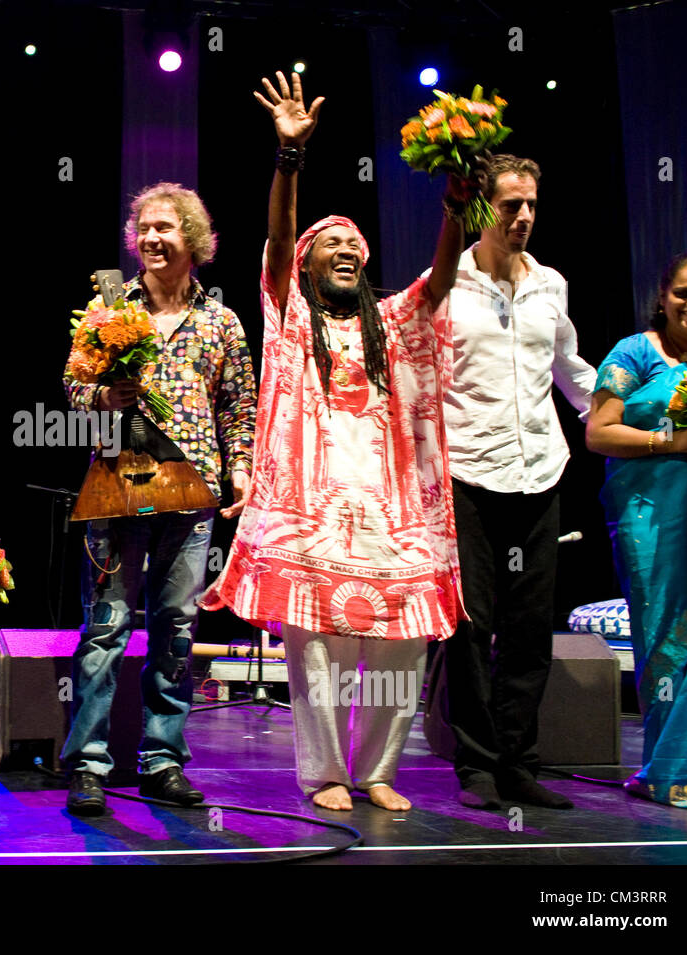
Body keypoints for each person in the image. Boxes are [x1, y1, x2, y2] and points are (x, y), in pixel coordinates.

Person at [202, 71, 468, 812]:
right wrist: (289, 158)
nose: (348, 249)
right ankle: (324, 773)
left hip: (394, 516)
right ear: (312, 264)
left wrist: (458, 200)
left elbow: (443, 276)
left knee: (402, 642)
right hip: (311, 516)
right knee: (316, 653)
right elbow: (281, 238)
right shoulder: (289, 314)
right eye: (334, 244)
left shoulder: (396, 321)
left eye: (357, 243)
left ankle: (377, 767)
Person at [60, 181, 257, 816]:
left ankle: (163, 760)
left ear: (193, 240)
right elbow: (72, 387)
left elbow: (240, 408)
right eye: (143, 228)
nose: (151, 238)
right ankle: (88, 764)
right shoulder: (109, 311)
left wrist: (243, 471)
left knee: (176, 629)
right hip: (119, 490)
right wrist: (102, 399)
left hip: (192, 495)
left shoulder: (220, 321)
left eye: (165, 228)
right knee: (106, 628)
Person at [440, 155, 596, 810]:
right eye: (510, 205)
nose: (524, 216)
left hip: (539, 471)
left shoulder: (550, 284)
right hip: (469, 473)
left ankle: (518, 759)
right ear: (483, 208)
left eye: (532, 204)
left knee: (531, 625)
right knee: (471, 625)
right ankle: (475, 764)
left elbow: (569, 367)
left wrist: (623, 413)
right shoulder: (448, 283)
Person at [586, 253, 687, 810]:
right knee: (665, 630)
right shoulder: (633, 354)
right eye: (684, 292)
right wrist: (674, 442)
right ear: (662, 296)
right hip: (649, 513)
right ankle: (668, 771)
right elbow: (599, 433)